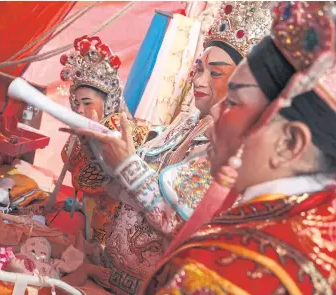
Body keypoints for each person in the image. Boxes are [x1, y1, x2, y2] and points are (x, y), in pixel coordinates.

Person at [67, 2, 336, 294]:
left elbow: (178, 220)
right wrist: (103, 154)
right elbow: (124, 192)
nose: (216, 114)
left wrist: (127, 164)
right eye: (199, 69)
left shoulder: (230, 269)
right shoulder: (306, 222)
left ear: (289, 143)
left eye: (233, 102)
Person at [59, 36, 149, 250]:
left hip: (113, 225)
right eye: (77, 103)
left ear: (107, 102)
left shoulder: (115, 128)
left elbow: (99, 180)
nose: (80, 109)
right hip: (92, 215)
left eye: (87, 103)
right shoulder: (88, 129)